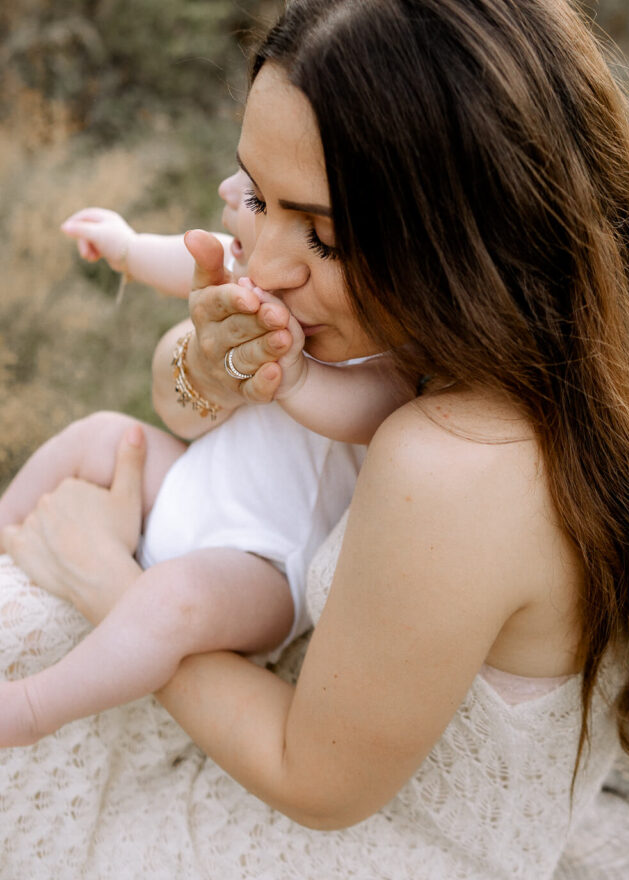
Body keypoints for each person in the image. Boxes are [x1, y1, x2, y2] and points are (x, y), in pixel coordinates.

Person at [0, 0, 629, 879]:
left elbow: (316, 784)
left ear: (464, 230)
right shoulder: (558, 364)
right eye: (255, 197)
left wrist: (102, 578)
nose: (267, 267)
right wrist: (203, 366)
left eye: (322, 237)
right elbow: (189, 400)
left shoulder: (455, 456)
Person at [0, 176, 406, 747]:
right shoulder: (263, 278)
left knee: (174, 600)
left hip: (263, 565)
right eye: (253, 186)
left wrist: (299, 376)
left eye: (256, 198)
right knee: (101, 434)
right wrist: (126, 246)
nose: (227, 186)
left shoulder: (391, 347)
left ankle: (34, 706)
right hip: (184, 488)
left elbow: (369, 410)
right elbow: (190, 266)